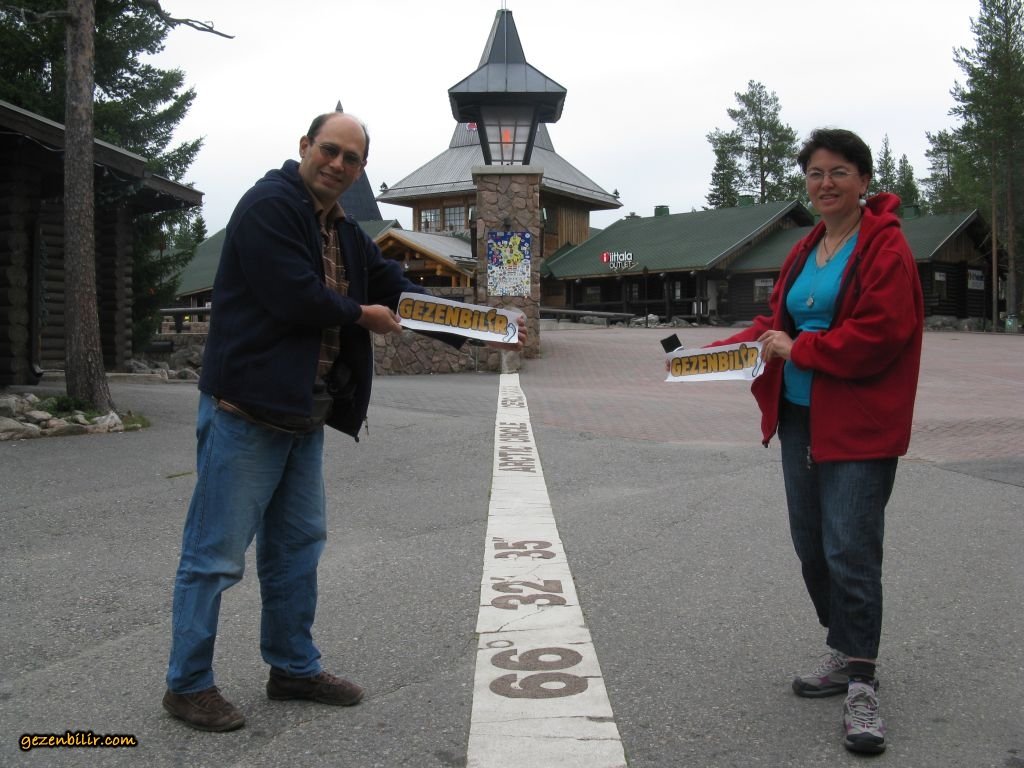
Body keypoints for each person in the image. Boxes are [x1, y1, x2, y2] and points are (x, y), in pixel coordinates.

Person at [162, 110, 524, 732]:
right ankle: (187, 684)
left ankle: (292, 669)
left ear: (360, 170)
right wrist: (362, 315)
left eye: (350, 158)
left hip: (304, 413)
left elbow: (398, 289)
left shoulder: (346, 231)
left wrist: (480, 327)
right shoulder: (269, 206)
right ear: (305, 146)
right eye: (329, 150)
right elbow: (292, 294)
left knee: (297, 549)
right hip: (244, 412)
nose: (336, 164)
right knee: (215, 556)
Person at [712, 128, 923, 754]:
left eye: (838, 172)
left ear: (863, 181)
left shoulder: (885, 246)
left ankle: (861, 681)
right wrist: (709, 355)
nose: (825, 184)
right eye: (815, 174)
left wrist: (799, 348)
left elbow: (880, 335)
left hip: (859, 424)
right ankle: (845, 645)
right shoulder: (807, 246)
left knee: (850, 549)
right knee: (812, 546)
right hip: (800, 418)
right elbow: (774, 324)